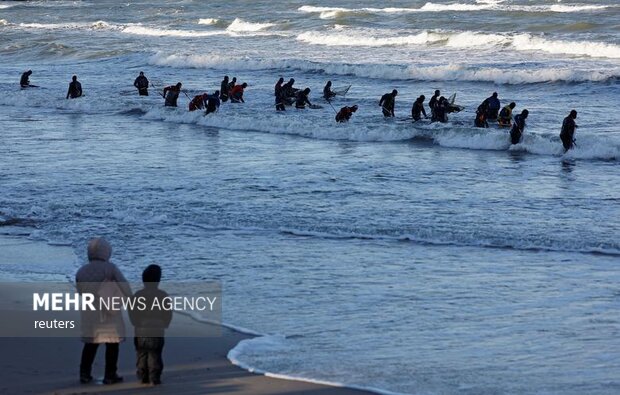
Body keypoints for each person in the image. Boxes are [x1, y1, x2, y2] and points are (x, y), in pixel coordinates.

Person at [76, 237, 132, 385]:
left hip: (89, 311)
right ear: (107, 252)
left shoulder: (81, 271)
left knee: (91, 344)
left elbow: (80, 291)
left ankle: (84, 373)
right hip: (108, 312)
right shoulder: (110, 268)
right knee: (112, 344)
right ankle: (110, 374)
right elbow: (124, 285)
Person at [129, 264, 173, 386]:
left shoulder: (137, 295)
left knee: (141, 353)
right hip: (157, 329)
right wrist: (166, 323)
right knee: (155, 354)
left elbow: (132, 311)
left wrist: (135, 323)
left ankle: (143, 375)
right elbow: (168, 312)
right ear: (158, 280)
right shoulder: (162, 295)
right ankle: (155, 377)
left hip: (141, 329)